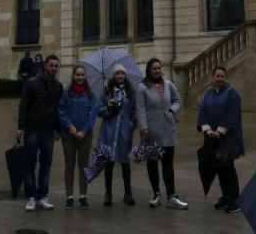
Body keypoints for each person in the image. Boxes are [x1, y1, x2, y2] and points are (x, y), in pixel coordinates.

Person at [136, 57, 188, 209]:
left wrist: (172, 109)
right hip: (151, 132)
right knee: (152, 164)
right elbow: (140, 109)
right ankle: (156, 194)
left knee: (168, 164)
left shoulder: (168, 84)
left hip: (167, 129)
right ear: (149, 70)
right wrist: (144, 128)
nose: (157, 71)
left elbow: (178, 101)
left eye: (159, 68)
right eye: (154, 68)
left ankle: (171, 195)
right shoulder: (142, 88)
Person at [17, 54, 62, 212]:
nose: (54, 68)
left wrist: (58, 129)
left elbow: (58, 109)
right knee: (30, 164)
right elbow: (23, 106)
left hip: (49, 131)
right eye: (51, 65)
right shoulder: (32, 83)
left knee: (46, 165)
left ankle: (43, 196)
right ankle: (30, 197)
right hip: (33, 130)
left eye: (56, 66)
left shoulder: (58, 86)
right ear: (45, 66)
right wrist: (21, 127)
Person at [197, 65, 244, 214]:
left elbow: (232, 114)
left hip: (228, 138)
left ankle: (235, 200)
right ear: (213, 77)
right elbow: (202, 111)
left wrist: (220, 131)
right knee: (219, 167)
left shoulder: (232, 94)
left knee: (228, 167)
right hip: (212, 138)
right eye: (217, 76)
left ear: (226, 77)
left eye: (222, 76)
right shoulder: (208, 93)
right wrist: (207, 129)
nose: (220, 79)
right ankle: (226, 196)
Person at [57, 65, 100, 209]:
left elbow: (92, 114)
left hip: (85, 136)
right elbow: (61, 110)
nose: (80, 77)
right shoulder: (66, 93)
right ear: (73, 76)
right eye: (78, 75)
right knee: (69, 165)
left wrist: (84, 131)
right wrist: (70, 126)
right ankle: (69, 196)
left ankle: (83, 196)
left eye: (82, 75)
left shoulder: (90, 95)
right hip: (68, 135)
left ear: (85, 77)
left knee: (83, 166)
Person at [96, 66, 137, 207]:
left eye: (122, 73)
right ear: (113, 76)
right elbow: (99, 110)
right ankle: (108, 194)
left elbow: (134, 113)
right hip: (109, 132)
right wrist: (107, 107)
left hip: (124, 133)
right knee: (108, 163)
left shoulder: (130, 93)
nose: (120, 76)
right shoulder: (107, 92)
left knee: (125, 163)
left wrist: (130, 126)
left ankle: (128, 193)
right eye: (117, 73)